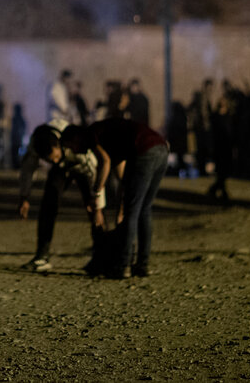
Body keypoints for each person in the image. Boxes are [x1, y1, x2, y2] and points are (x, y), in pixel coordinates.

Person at [58, 119, 169, 278]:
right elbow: (123, 179)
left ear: (75, 138)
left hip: (144, 151)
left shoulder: (90, 134)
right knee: (144, 209)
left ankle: (123, 265)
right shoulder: (110, 137)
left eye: (71, 147)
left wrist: (96, 192)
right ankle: (142, 265)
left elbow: (105, 162)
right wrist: (119, 209)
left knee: (133, 212)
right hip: (161, 149)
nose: (74, 152)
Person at [17, 122, 106, 273]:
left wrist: (98, 205)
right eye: (50, 160)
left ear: (59, 145)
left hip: (83, 166)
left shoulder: (75, 140)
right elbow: (27, 169)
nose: (55, 161)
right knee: (48, 206)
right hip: (61, 170)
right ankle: (42, 256)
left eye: (56, 157)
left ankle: (103, 256)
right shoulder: (36, 144)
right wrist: (24, 197)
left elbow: (95, 172)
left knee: (94, 211)